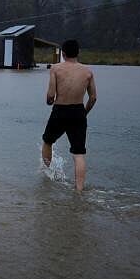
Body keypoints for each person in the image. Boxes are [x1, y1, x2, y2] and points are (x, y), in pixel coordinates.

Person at [42, 40, 97, 192]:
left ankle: (48, 173)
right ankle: (79, 190)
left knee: (47, 141)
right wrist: (84, 112)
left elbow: (51, 95)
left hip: (60, 110)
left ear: (63, 54)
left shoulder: (55, 69)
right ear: (78, 53)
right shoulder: (87, 72)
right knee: (78, 153)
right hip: (78, 111)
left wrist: (49, 100)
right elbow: (93, 98)